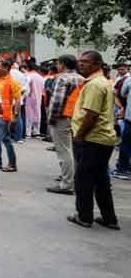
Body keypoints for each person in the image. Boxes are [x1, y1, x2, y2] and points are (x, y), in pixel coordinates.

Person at [67, 50, 120, 230]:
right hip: (102, 139)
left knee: (83, 179)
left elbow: (91, 115)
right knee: (100, 180)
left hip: (93, 139)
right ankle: (109, 218)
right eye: (80, 61)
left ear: (97, 64)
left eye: (86, 62)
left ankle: (84, 216)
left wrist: (79, 136)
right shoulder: (100, 82)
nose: (81, 64)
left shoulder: (95, 85)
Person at [46, 55, 84, 194]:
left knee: (63, 151)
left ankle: (67, 184)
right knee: (72, 150)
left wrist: (51, 118)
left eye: (58, 63)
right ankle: (70, 178)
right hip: (76, 117)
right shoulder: (81, 78)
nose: (57, 66)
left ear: (63, 64)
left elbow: (57, 101)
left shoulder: (62, 78)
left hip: (62, 117)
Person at [0, 60, 21, 172]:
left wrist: (15, 115)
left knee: (5, 139)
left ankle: (12, 164)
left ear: (6, 68)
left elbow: (18, 99)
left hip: (4, 116)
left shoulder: (12, 82)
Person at [25, 61, 45, 138]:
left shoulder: (28, 75)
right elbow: (43, 88)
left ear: (28, 68)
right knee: (37, 113)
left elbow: (27, 85)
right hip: (38, 97)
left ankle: (28, 133)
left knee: (29, 115)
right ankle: (36, 132)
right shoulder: (40, 77)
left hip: (30, 97)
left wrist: (28, 92)